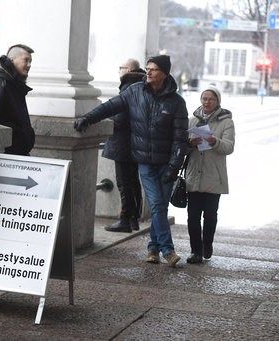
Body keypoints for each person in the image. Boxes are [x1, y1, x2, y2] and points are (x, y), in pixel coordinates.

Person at [74, 55, 188, 267]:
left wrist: (175, 165)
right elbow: (109, 106)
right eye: (147, 68)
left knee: (160, 206)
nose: (149, 73)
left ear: (164, 73)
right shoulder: (134, 92)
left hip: (167, 164)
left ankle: (153, 248)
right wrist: (88, 118)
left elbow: (181, 138)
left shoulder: (177, 103)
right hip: (144, 161)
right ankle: (168, 250)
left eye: (153, 69)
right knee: (155, 203)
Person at [185, 86, 235, 264]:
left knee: (210, 215)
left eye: (210, 99)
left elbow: (229, 147)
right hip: (193, 175)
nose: (206, 102)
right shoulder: (192, 120)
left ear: (217, 101)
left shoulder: (226, 122)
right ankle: (195, 251)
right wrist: (190, 143)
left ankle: (207, 244)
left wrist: (214, 141)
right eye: (204, 98)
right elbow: (182, 146)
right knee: (192, 216)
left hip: (214, 176)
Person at [103, 59, 146, 233]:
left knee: (124, 183)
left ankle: (125, 219)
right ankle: (134, 219)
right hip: (135, 143)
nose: (119, 70)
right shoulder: (141, 86)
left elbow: (120, 118)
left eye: (121, 67)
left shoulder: (128, 87)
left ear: (129, 69)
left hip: (123, 143)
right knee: (133, 181)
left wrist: (107, 117)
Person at [0, 44, 35, 155]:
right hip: (8, 156)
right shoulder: (1, 84)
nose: (29, 65)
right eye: (26, 60)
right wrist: (18, 134)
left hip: (16, 155)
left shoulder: (14, 84)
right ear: (12, 60)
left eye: (31, 62)